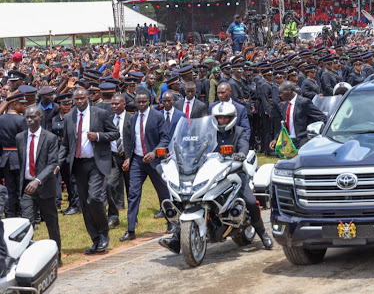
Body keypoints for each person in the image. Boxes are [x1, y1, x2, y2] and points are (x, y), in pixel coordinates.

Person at [159, 102, 273, 253]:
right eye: (219, 118)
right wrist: (183, 152)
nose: (222, 121)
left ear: (232, 118)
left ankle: (263, 233)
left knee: (251, 201)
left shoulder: (239, 132)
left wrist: (241, 154)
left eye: (226, 118)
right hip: (211, 173)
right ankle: (176, 239)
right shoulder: (208, 131)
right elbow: (196, 145)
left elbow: (244, 145)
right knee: (189, 198)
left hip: (234, 174)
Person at [59, 87, 120, 254]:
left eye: (82, 98)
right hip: (78, 165)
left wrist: (99, 136)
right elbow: (66, 144)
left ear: (88, 98)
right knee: (84, 204)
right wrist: (58, 163)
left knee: (94, 198)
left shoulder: (99, 113)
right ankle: (95, 238)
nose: (79, 101)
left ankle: (103, 233)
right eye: (76, 99)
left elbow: (115, 133)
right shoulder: (69, 117)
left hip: (96, 162)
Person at [120, 91, 170, 241]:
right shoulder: (134, 118)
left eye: (144, 101)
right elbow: (131, 140)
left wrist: (154, 153)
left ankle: (171, 222)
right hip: (138, 161)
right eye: (138, 102)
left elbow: (165, 138)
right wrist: (129, 158)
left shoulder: (158, 116)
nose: (141, 104)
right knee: (133, 193)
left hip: (154, 161)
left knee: (163, 192)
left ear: (149, 101)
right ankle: (131, 229)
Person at [16, 105, 61, 262]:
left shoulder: (50, 138)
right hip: (27, 189)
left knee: (52, 223)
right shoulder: (20, 137)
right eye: (27, 117)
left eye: (33, 117)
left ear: (40, 117)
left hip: (45, 187)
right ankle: (26, 260)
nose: (29, 120)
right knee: (27, 224)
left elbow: (52, 163)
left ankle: (57, 257)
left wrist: (38, 180)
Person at [270, 81, 327, 151]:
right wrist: (276, 139)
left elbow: (321, 118)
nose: (280, 96)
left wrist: (313, 133)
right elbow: (285, 124)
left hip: (303, 142)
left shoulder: (304, 102)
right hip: (290, 143)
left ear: (289, 91)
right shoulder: (285, 105)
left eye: (282, 93)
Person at [52, 93, 80, 215]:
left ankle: (77, 205)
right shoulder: (55, 118)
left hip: (71, 151)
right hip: (60, 152)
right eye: (65, 104)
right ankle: (71, 202)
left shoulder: (75, 116)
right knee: (66, 179)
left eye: (69, 104)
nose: (67, 106)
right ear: (59, 105)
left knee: (74, 180)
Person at [105, 93, 131, 229]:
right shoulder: (109, 119)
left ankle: (132, 217)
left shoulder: (131, 119)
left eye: (117, 104)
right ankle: (113, 217)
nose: (114, 106)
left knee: (131, 189)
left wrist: (129, 157)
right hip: (114, 157)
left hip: (128, 158)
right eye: (112, 104)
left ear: (124, 104)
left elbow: (135, 140)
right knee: (109, 185)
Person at [0, 93, 27, 217]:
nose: (25, 106)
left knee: (10, 189)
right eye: (22, 104)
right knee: (21, 188)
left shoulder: (1, 119)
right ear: (14, 105)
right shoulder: (21, 120)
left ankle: (11, 214)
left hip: (6, 157)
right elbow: (25, 140)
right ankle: (23, 214)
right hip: (19, 156)